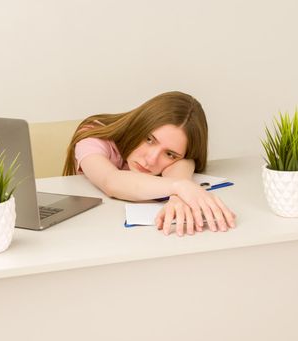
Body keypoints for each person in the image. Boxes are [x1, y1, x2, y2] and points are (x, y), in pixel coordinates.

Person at [63, 91, 236, 236]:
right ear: (140, 124)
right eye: (149, 139)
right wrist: (180, 186)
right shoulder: (93, 135)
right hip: (90, 233)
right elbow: (111, 181)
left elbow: (185, 162)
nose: (151, 159)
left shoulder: (179, 158)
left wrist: (177, 199)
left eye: (169, 154)